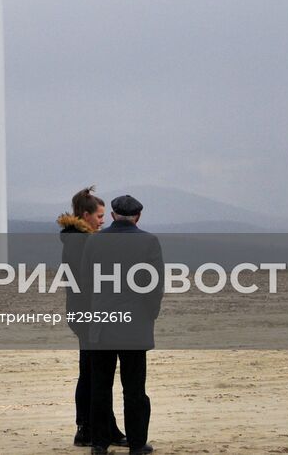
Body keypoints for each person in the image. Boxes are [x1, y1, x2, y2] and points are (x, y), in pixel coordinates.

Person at [82, 195, 163, 455]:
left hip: (103, 325)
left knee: (100, 388)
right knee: (135, 389)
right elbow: (154, 286)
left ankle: (99, 443)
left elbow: (84, 281)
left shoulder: (95, 241)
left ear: (114, 214)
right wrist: (149, 315)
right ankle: (137, 444)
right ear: (138, 216)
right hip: (135, 325)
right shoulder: (149, 242)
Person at [58, 186, 126, 448]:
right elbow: (89, 280)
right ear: (85, 215)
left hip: (83, 312)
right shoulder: (81, 242)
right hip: (88, 313)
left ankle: (95, 427)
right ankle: (91, 428)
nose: (103, 220)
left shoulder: (78, 238)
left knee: (90, 370)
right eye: (99, 216)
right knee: (93, 373)